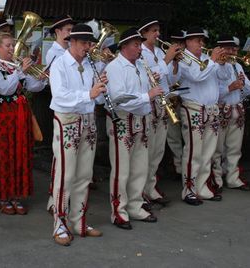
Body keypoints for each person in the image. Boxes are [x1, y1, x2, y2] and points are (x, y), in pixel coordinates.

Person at [48, 23, 107, 246]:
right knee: (65, 175)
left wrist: (101, 89)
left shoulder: (91, 64)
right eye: (84, 43)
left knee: (84, 175)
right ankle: (59, 223)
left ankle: (78, 219)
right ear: (72, 43)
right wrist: (88, 94)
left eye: (89, 43)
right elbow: (60, 97)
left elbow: (96, 99)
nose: (88, 47)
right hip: (68, 122)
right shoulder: (59, 64)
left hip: (88, 121)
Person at [105, 28, 164, 229]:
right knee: (122, 169)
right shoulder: (114, 67)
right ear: (124, 46)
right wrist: (148, 95)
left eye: (140, 45)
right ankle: (118, 211)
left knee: (140, 167)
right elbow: (120, 100)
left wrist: (152, 82)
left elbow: (141, 93)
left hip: (142, 119)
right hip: (123, 120)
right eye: (136, 45)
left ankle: (136, 206)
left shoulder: (140, 64)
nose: (140, 49)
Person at [0, 32, 46, 215]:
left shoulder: (16, 66)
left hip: (19, 115)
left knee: (19, 153)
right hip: (0, 116)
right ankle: (4, 196)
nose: (12, 48)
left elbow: (34, 87)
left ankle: (17, 195)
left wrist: (39, 76)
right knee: (3, 155)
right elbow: (5, 89)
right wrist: (21, 71)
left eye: (12, 45)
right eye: (8, 46)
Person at [173, 28, 230, 205]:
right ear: (188, 42)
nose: (201, 44)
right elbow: (197, 76)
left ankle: (202, 186)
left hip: (211, 109)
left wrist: (221, 63)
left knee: (208, 152)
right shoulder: (183, 60)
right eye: (198, 41)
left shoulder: (207, 59)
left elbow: (224, 76)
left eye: (202, 41)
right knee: (193, 152)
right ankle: (188, 190)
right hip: (193, 109)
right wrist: (213, 60)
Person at [137, 18, 180, 208]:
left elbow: (169, 78)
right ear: (144, 33)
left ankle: (151, 186)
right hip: (150, 104)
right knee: (147, 150)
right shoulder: (140, 53)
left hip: (164, 103)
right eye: (154, 31)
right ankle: (141, 190)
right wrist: (168, 59)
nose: (158, 34)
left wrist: (175, 64)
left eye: (158, 30)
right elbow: (150, 76)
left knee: (158, 150)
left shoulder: (160, 51)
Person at [212, 35, 250, 192]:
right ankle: (216, 178)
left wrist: (242, 84)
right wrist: (230, 87)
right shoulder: (213, 66)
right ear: (220, 49)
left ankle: (233, 178)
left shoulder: (237, 66)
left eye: (233, 49)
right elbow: (212, 92)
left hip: (237, 109)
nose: (232, 52)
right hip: (221, 110)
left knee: (235, 148)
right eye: (228, 49)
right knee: (217, 149)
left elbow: (248, 89)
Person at [44, 15, 76, 214]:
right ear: (57, 32)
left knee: (68, 160)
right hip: (62, 107)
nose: (70, 34)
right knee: (60, 158)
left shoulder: (67, 51)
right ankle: (54, 200)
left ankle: (64, 198)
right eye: (67, 31)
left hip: (75, 107)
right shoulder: (54, 53)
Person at [165, 30, 186, 178]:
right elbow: (166, 81)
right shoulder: (165, 57)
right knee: (173, 136)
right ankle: (179, 166)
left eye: (180, 42)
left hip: (185, 100)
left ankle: (187, 165)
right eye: (175, 42)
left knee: (187, 136)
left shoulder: (190, 58)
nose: (178, 45)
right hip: (171, 99)